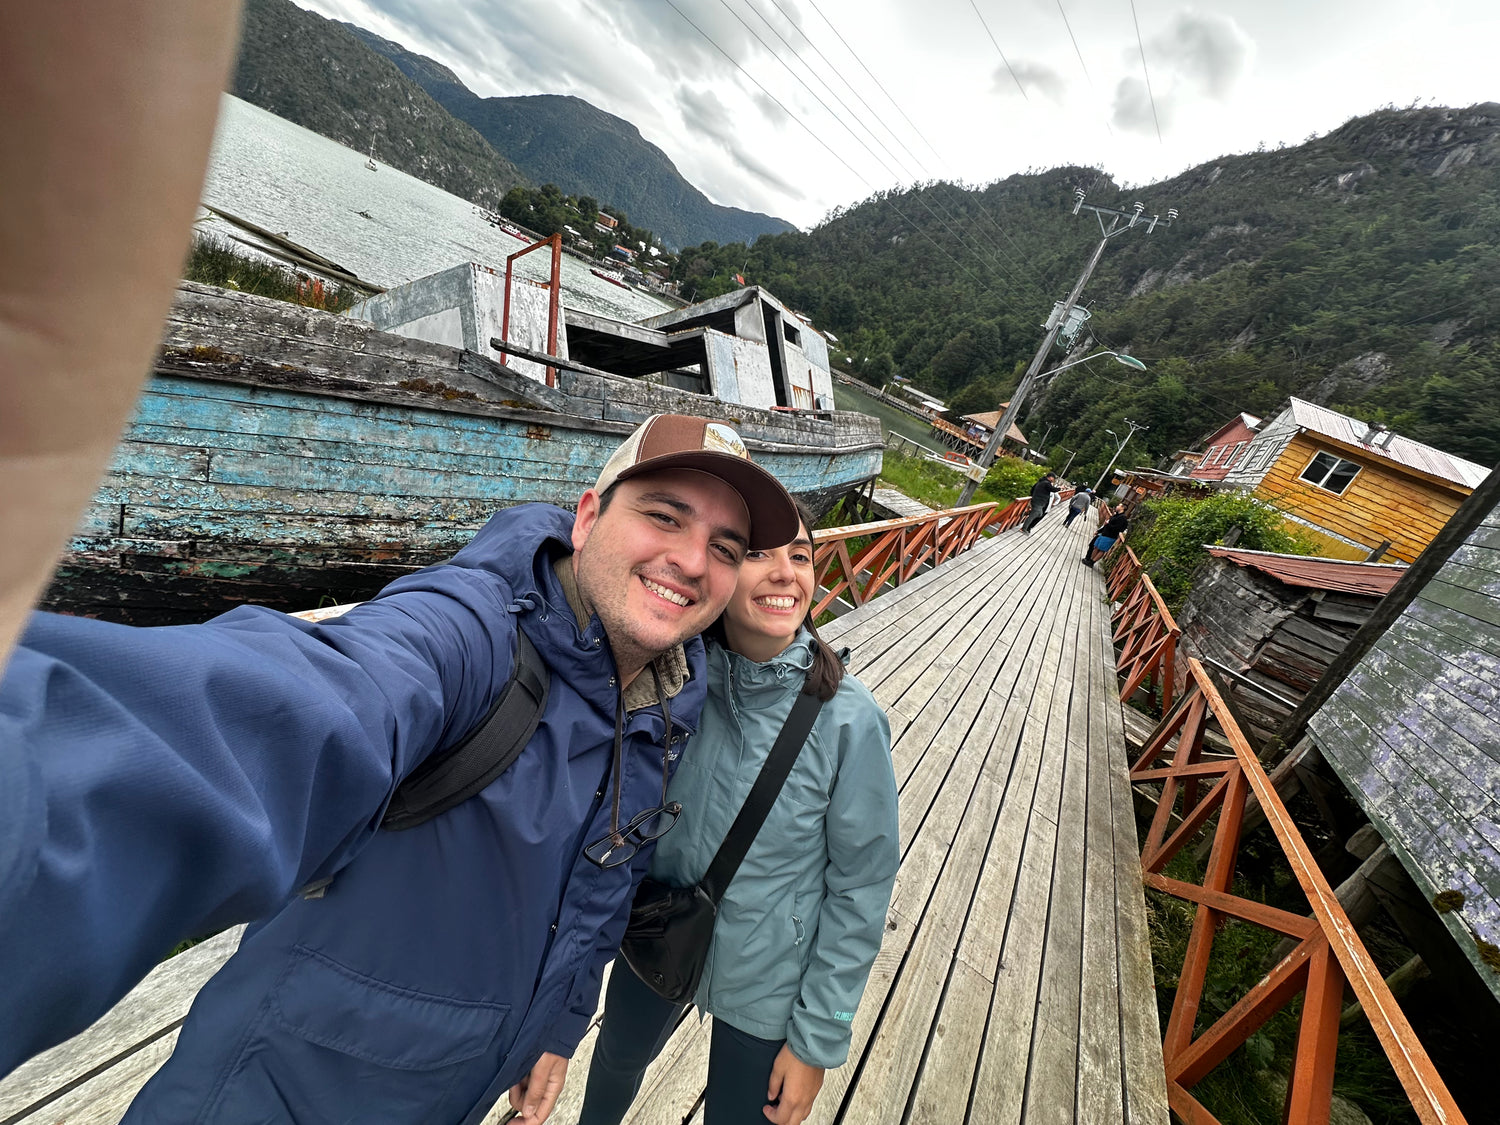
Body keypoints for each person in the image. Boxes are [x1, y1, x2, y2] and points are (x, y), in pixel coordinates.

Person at [0, 413, 800, 1125]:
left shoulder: (670, 691)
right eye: (664, 515)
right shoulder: (471, 636)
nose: (691, 560)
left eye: (724, 548)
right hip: (284, 1087)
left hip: (465, 1082)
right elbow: (294, 708)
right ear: (588, 517)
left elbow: (607, 873)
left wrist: (557, 1026)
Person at [577, 504, 899, 1125]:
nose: (786, 573)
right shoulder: (673, 681)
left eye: (800, 556)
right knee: (614, 1063)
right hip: (658, 928)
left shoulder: (850, 721)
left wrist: (818, 1038)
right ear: (719, 570)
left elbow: (862, 884)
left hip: (770, 975)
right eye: (757, 554)